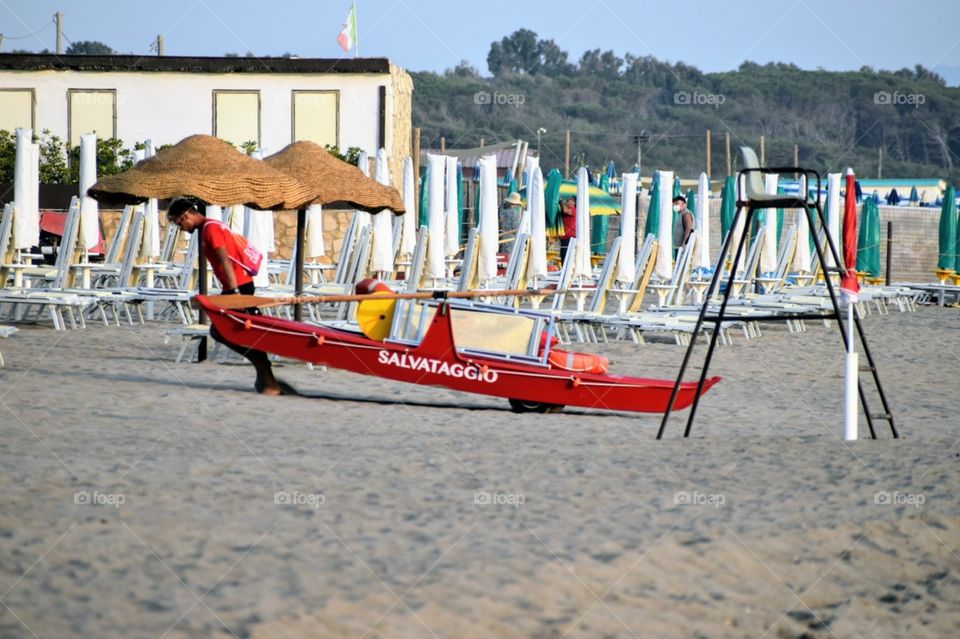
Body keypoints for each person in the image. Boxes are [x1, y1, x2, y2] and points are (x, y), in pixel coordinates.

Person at [166, 197, 282, 396]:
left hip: (238, 286)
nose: (182, 229)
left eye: (179, 224)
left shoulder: (211, 229)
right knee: (231, 331)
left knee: (222, 331)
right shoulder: (212, 226)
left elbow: (225, 261)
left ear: (186, 216)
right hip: (237, 285)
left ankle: (266, 375)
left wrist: (235, 294)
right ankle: (265, 375)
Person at [558, 196, 577, 264]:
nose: (568, 200)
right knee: (563, 256)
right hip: (564, 237)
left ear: (574, 203)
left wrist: (561, 201)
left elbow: (565, 210)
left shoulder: (574, 210)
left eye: (570, 199)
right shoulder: (566, 209)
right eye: (568, 199)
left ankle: (566, 269)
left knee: (566, 256)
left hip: (569, 237)